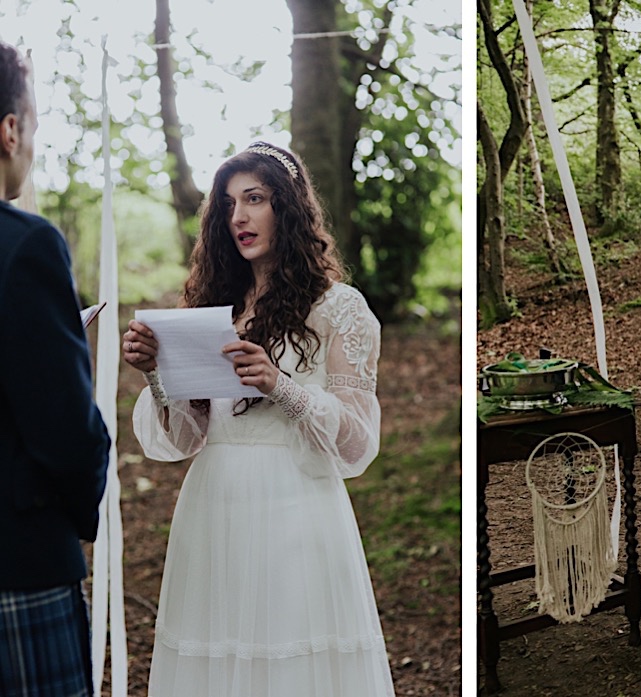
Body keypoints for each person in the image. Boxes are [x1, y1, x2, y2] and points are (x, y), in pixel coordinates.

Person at [122, 142, 394, 695]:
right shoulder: (215, 306)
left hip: (294, 505)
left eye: (255, 199)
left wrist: (281, 386)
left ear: (288, 207)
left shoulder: (340, 308)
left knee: (288, 661)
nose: (239, 217)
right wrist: (156, 374)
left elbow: (357, 443)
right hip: (214, 503)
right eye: (227, 204)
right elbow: (184, 438)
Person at [0, 38, 113, 697]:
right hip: (17, 567)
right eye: (35, 124)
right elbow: (67, 434)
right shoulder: (27, 246)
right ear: (10, 130)